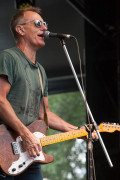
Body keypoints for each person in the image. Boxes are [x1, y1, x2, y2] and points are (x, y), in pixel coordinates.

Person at [0, 7, 97, 180]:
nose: (44, 28)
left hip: (30, 155)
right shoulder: (9, 57)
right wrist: (26, 134)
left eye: (44, 24)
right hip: (4, 147)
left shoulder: (40, 72)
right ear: (20, 29)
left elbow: (44, 114)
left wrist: (78, 131)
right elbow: (0, 100)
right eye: (38, 23)